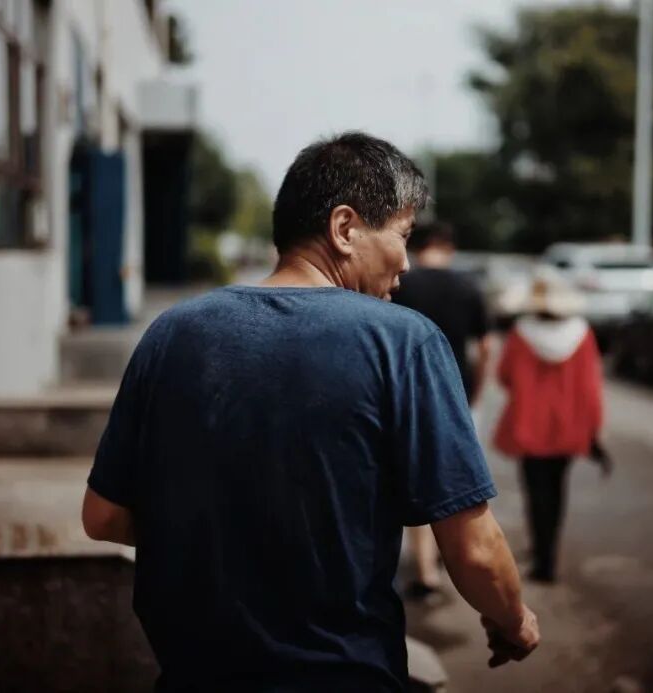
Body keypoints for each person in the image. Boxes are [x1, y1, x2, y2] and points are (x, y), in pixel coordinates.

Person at [81, 132, 539, 691]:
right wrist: (513, 620)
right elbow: (474, 549)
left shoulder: (170, 334)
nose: (405, 264)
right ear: (345, 228)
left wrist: (228, 542)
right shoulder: (402, 342)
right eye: (402, 236)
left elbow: (103, 517)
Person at [391, 221, 493, 601]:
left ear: (419, 247)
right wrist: (476, 392)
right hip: (456, 391)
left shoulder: (402, 284)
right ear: (449, 248)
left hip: (408, 391)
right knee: (455, 482)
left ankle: (426, 572)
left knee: (414, 479)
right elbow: (485, 348)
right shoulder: (468, 286)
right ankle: (458, 561)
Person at [494, 272, 606, 583]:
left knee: (535, 493)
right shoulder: (583, 334)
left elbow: (504, 376)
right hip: (567, 427)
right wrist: (594, 429)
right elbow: (591, 387)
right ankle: (549, 553)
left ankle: (541, 556)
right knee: (557, 492)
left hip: (528, 425)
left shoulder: (521, 333)